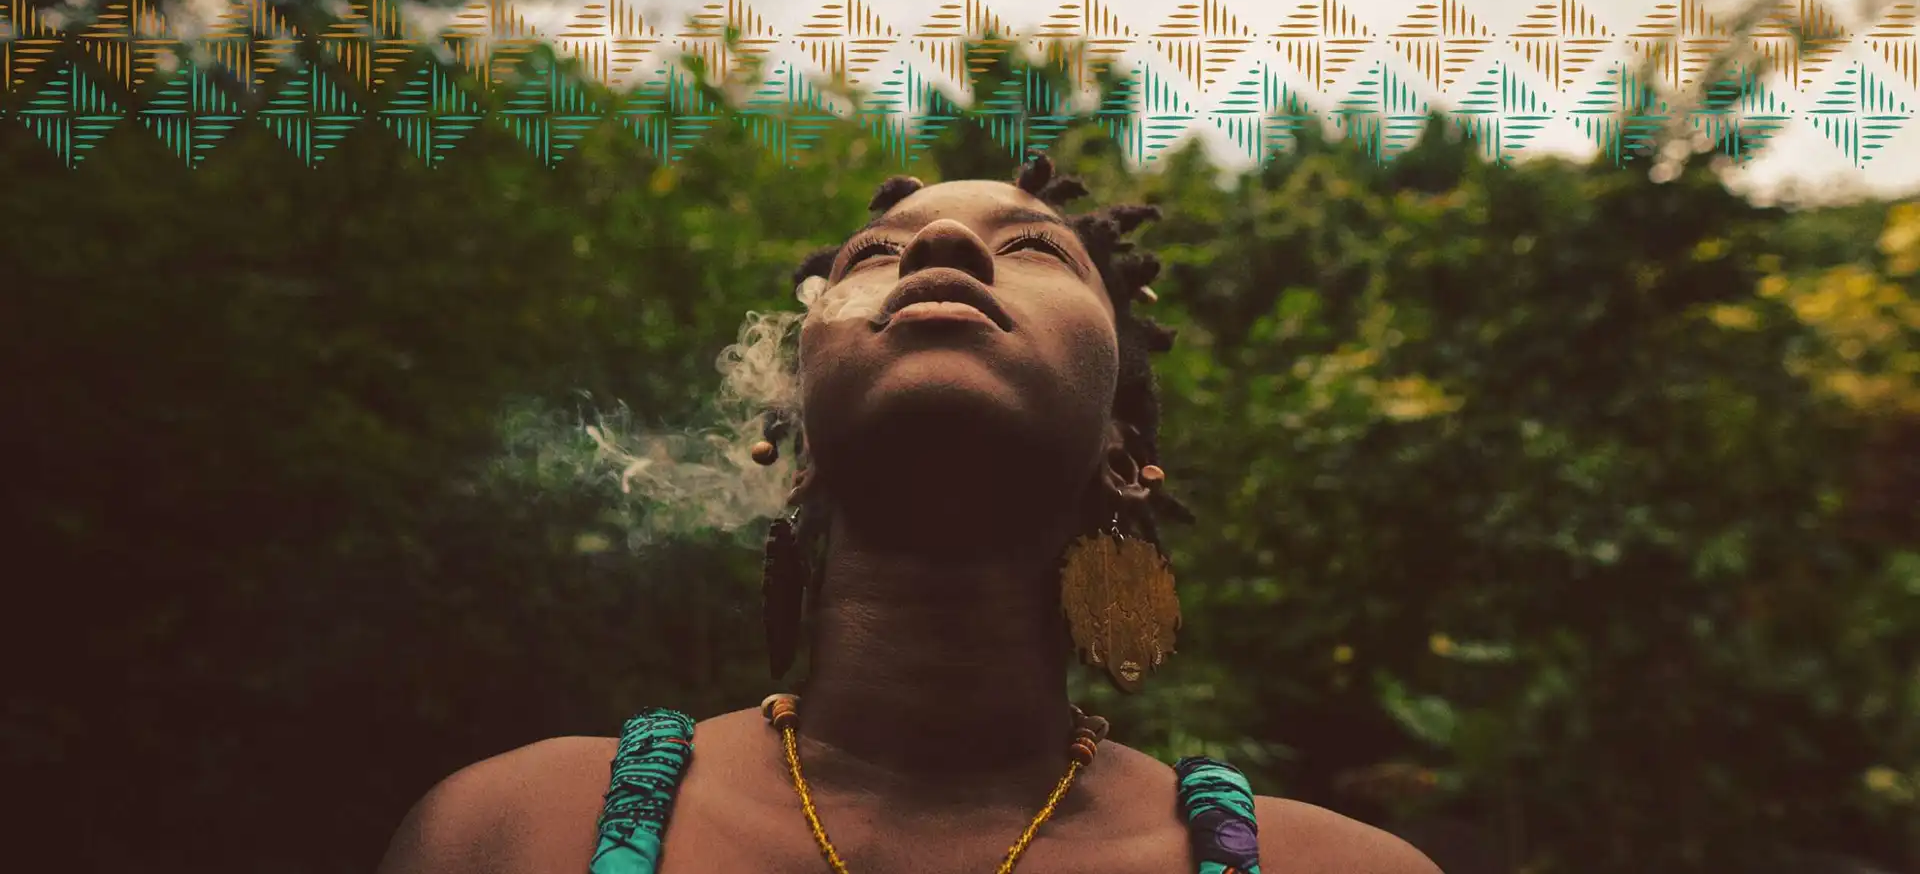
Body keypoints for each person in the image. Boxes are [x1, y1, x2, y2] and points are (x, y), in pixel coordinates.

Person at [375, 156, 1445, 874]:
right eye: (874, 256)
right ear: (793, 451)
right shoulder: (513, 834)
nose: (940, 245)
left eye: (1034, 250)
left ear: (1125, 452)